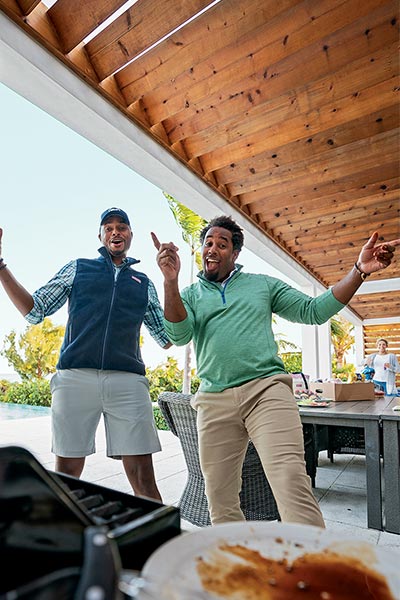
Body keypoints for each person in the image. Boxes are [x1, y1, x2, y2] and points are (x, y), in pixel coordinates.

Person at [152, 216, 400, 526]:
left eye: (221, 244)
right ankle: (236, 556)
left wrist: (359, 270)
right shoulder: (189, 295)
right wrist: (170, 281)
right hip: (214, 399)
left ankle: (312, 556)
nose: (212, 249)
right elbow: (178, 336)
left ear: (235, 253)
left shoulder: (262, 285)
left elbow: (313, 310)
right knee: (219, 497)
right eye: (208, 243)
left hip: (265, 392)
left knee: (290, 482)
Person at [0, 208, 171, 501]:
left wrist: (170, 281)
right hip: (75, 378)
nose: (115, 231)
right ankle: (63, 529)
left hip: (128, 383)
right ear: (101, 236)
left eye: (122, 226)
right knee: (67, 476)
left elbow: (166, 338)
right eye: (108, 227)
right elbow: (34, 310)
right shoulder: (78, 268)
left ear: (131, 235)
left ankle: (156, 531)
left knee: (144, 478)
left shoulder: (144, 283)